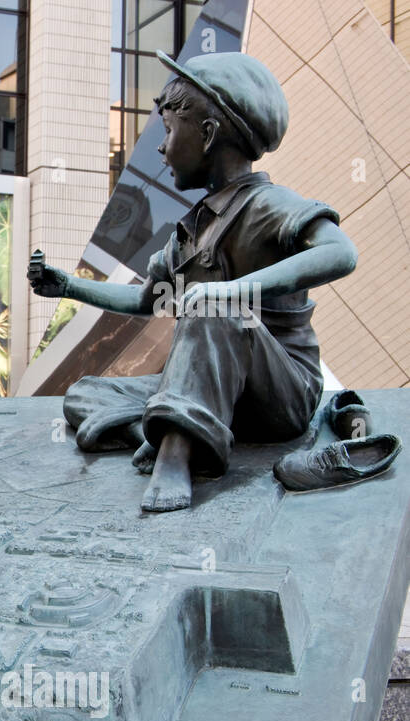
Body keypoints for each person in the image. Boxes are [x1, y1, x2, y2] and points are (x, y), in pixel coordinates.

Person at [28, 51, 358, 512]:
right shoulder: (190, 230)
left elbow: (341, 253)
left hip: (278, 395)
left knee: (214, 308)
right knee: (86, 393)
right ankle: (173, 427)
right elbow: (147, 299)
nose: (161, 148)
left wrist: (230, 292)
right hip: (215, 391)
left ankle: (174, 456)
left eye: (167, 131)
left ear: (206, 134)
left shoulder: (268, 204)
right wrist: (67, 286)